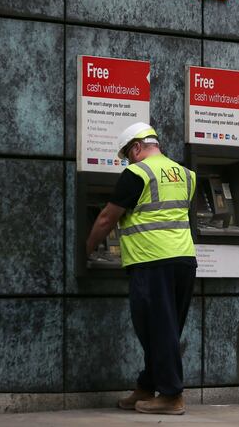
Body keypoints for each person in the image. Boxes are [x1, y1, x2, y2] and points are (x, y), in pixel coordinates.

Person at [86, 122, 197, 415]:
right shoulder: (187, 175)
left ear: (136, 148)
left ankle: (172, 396)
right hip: (184, 260)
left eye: (127, 154)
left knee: (156, 328)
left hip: (152, 261)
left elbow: (106, 219)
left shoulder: (137, 173)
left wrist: (87, 248)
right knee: (164, 328)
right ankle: (148, 386)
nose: (127, 160)